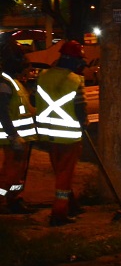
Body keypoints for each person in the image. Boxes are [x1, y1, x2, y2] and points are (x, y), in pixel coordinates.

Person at [35, 40, 89, 226]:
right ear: (75, 60)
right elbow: (81, 108)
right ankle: (59, 213)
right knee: (64, 176)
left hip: (48, 134)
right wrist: (84, 124)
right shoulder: (75, 80)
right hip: (68, 135)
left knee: (60, 172)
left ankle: (71, 204)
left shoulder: (43, 76)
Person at [0, 33, 38, 214]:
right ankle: (3, 198)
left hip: (19, 138)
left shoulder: (12, 82)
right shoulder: (4, 82)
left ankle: (14, 198)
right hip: (12, 139)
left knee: (17, 174)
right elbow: (2, 111)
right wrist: (14, 136)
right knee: (10, 173)